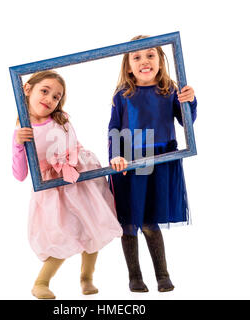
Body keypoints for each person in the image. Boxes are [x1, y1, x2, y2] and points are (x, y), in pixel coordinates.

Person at [12, 70, 122, 299]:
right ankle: (41, 282)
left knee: (92, 227)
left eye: (56, 97)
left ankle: (87, 277)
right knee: (63, 234)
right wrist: (18, 144)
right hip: (53, 190)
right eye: (45, 91)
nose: (50, 99)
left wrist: (74, 162)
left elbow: (72, 146)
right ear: (27, 89)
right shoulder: (23, 130)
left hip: (79, 178)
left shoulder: (61, 119)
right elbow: (20, 174)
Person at [108, 35, 197, 292]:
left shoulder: (170, 90)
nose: (144, 61)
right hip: (130, 155)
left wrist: (189, 100)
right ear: (128, 65)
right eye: (136, 57)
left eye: (150, 55)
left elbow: (186, 121)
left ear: (160, 59)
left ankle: (162, 275)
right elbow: (114, 127)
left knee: (149, 220)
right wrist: (116, 154)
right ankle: (134, 276)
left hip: (160, 155)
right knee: (129, 219)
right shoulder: (123, 94)